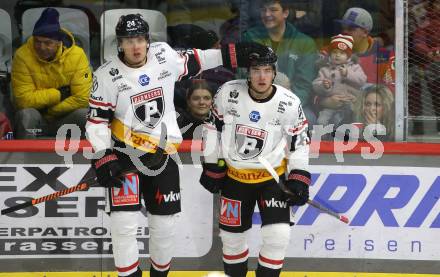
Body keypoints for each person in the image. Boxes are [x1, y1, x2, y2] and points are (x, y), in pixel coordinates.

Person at [85, 13, 271, 277]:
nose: (135, 46)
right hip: (125, 157)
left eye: (139, 39)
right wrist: (103, 156)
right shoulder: (106, 75)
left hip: (163, 158)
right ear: (120, 44)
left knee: (164, 227)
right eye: (129, 41)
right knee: (123, 224)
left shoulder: (164, 56)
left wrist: (234, 54)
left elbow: (200, 59)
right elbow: (96, 121)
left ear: (148, 40)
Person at [200, 49, 310, 277]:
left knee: (278, 236)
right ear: (248, 73)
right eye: (256, 70)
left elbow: (299, 143)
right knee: (232, 240)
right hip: (235, 179)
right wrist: (211, 165)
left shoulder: (289, 102)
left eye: (267, 71)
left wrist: (299, 177)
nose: (262, 77)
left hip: (272, 180)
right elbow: (212, 129)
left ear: (274, 73)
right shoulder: (228, 92)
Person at [11, 7, 91, 138]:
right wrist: (59, 94)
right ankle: (25, 157)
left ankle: (80, 158)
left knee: (86, 114)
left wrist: (51, 111)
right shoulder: (22, 56)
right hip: (36, 117)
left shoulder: (77, 55)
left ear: (59, 42)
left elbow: (83, 98)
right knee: (26, 115)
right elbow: (23, 101)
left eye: (48, 43)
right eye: (37, 41)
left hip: (65, 117)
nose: (41, 47)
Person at [242, 0, 318, 126]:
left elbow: (304, 85)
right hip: (256, 100)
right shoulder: (251, 37)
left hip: (290, 102)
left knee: (309, 119)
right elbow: (243, 74)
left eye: (273, 10)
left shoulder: (305, 43)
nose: (267, 14)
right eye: (263, 10)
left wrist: (283, 106)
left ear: (285, 13)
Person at [313, 34, 367, 126]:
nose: (337, 55)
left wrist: (348, 74)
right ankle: (323, 138)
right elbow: (315, 85)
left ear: (348, 56)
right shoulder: (325, 69)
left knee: (354, 122)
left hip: (352, 103)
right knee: (321, 121)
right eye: (334, 52)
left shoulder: (354, 67)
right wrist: (324, 86)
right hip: (332, 104)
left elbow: (362, 80)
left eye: (342, 53)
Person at [412, 0, 440, 134]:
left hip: (433, 61)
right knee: (414, 85)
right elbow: (418, 40)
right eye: (437, 3)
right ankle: (417, 123)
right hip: (427, 62)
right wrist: (429, 52)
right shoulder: (425, 19)